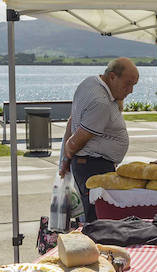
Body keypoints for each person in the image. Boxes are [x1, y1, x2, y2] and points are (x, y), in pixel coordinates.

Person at [59, 58, 140, 223]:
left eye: (134, 85)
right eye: (128, 84)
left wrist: (67, 159)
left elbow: (73, 118)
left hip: (89, 163)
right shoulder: (101, 102)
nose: (130, 90)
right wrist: (68, 152)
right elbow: (77, 141)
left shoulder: (90, 82)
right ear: (112, 77)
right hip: (92, 166)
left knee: (98, 218)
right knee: (98, 222)